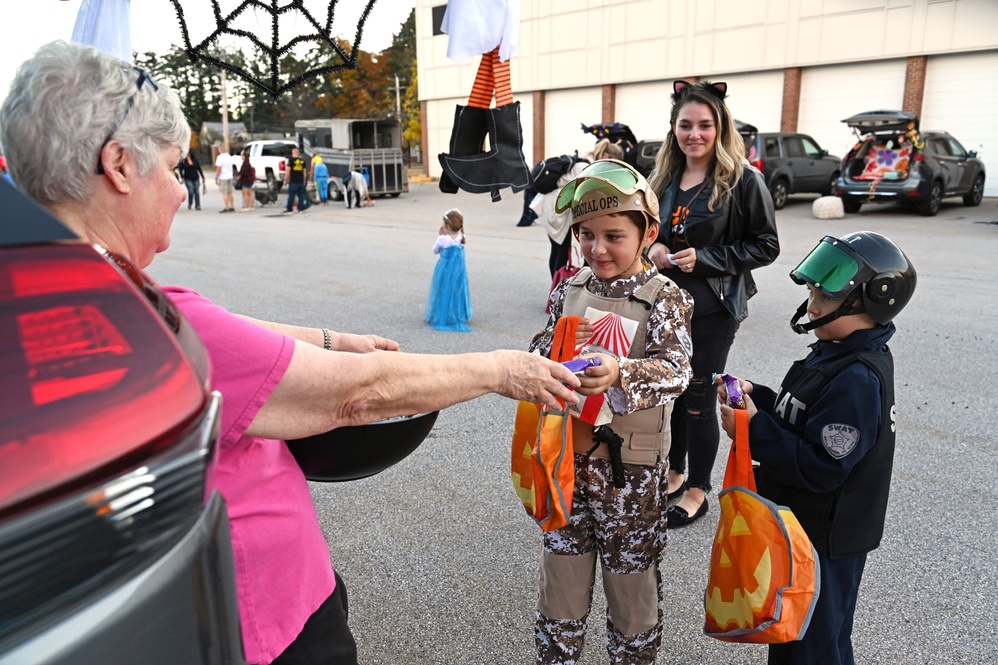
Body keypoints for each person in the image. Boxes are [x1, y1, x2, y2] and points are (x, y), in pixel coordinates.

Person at [0, 40, 582, 665]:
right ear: (117, 165)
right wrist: (499, 369)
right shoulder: (133, 320)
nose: (177, 192)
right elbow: (356, 393)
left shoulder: (53, 290)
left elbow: (223, 330)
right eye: (172, 168)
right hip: (262, 623)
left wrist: (334, 339)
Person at [717, 231, 916, 665]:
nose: (812, 305)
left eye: (824, 298)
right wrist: (762, 397)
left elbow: (821, 466)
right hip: (804, 526)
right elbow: (802, 415)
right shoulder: (833, 351)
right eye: (811, 291)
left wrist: (753, 429)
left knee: (813, 644)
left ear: (871, 303)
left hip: (826, 538)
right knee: (795, 635)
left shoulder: (857, 379)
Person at [529, 159, 693, 664]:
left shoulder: (666, 298)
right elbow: (536, 354)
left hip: (632, 479)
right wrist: (552, 345)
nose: (597, 249)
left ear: (648, 233)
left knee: (632, 592)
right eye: (586, 235)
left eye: (614, 236)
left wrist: (620, 371)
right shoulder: (570, 288)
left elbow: (678, 369)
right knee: (562, 583)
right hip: (566, 464)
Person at [645, 79, 779, 528]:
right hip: (667, 305)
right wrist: (654, 248)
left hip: (714, 308)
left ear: (719, 127)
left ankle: (699, 488)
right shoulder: (663, 176)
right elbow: (647, 230)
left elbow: (766, 245)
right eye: (686, 125)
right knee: (673, 391)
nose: (695, 134)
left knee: (698, 394)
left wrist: (707, 258)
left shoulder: (743, 179)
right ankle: (676, 471)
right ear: (673, 127)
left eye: (705, 125)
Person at [531, 139, 623, 280]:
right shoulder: (586, 168)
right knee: (561, 251)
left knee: (556, 250)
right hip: (558, 210)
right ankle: (557, 290)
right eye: (612, 163)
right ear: (606, 157)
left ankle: (554, 288)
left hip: (551, 206)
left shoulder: (583, 162)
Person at [426, 208, 473, 332]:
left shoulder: (442, 239)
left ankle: (443, 315)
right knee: (456, 292)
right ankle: (458, 314)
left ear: (447, 226)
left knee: (443, 291)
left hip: (444, 270)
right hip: (458, 271)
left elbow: (435, 251)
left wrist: (441, 235)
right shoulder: (460, 237)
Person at [283, 147, 308, 215]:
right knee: (301, 196)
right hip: (300, 181)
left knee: (291, 196)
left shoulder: (291, 160)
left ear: (293, 153)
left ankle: (289, 209)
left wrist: (285, 179)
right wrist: (304, 181)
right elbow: (304, 172)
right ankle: (300, 209)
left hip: (293, 181)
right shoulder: (303, 161)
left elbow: (288, 170)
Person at [215, 147, 236, 213]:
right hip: (229, 176)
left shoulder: (220, 157)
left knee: (225, 193)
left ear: (220, 150)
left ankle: (226, 207)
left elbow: (219, 168)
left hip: (223, 177)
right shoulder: (229, 156)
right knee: (230, 192)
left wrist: (216, 177)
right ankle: (232, 206)